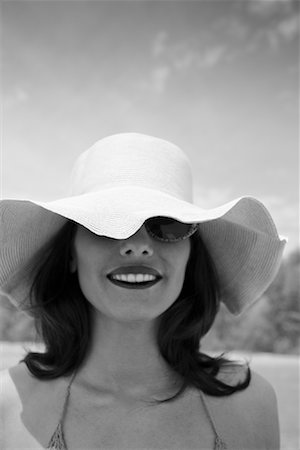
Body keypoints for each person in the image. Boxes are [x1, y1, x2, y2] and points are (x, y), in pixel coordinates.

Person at [0, 133, 285, 450]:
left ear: (191, 256)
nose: (138, 246)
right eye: (108, 223)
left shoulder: (253, 404)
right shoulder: (8, 404)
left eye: (167, 224)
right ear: (70, 253)